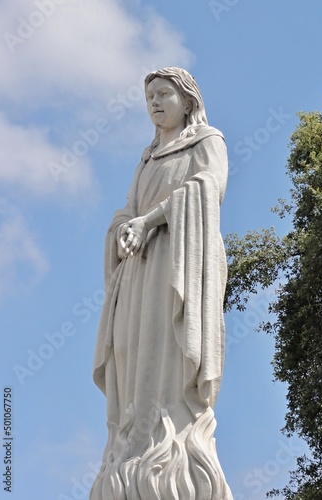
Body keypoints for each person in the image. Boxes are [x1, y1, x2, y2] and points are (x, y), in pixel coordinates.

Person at [90, 67, 233, 499]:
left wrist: (151, 220)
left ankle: (176, 451)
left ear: (186, 99)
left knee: (170, 350)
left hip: (178, 266)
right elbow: (128, 209)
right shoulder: (147, 157)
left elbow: (210, 185)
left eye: (163, 94)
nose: (154, 102)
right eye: (149, 95)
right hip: (138, 271)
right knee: (134, 354)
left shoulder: (208, 141)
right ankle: (131, 450)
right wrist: (123, 229)